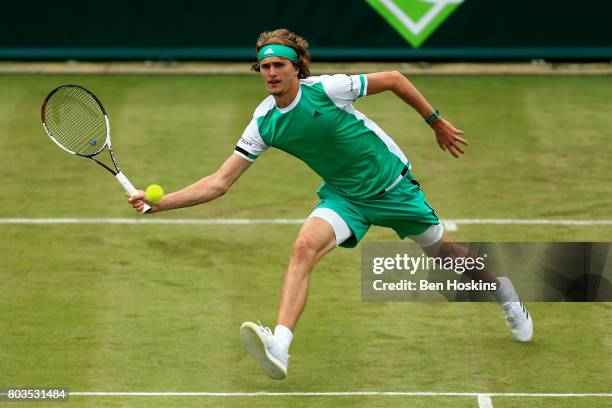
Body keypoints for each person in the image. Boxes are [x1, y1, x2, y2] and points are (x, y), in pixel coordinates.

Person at [127, 28, 533, 380]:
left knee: (448, 256)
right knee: (303, 247)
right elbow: (219, 182)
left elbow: (393, 78)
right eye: (264, 67)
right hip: (345, 197)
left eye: (279, 66)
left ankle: (505, 295)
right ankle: (280, 346)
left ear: (296, 68)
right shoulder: (264, 121)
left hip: (394, 189)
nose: (270, 73)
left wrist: (436, 121)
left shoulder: (327, 89)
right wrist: (164, 204)